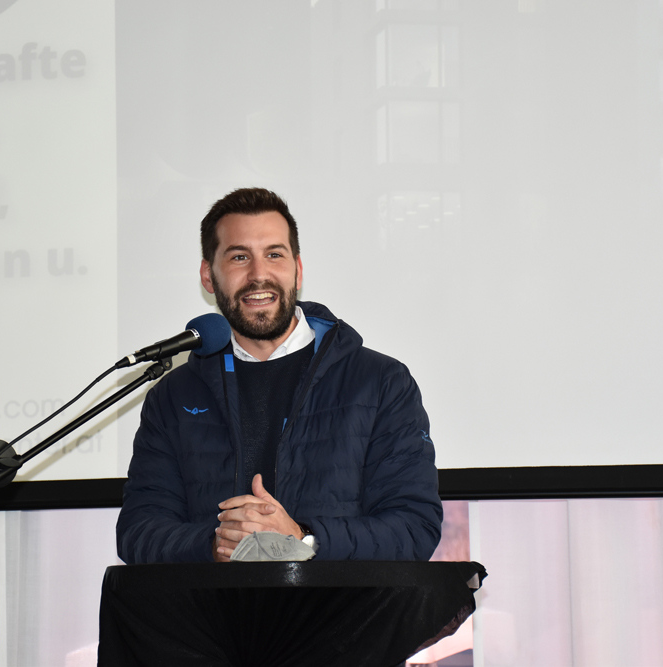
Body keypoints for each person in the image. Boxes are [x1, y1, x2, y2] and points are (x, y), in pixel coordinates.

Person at [116, 188, 441, 563]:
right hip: (214, 603)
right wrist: (216, 544)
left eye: (274, 255)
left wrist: (302, 539)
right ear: (208, 276)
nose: (259, 275)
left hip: (340, 602)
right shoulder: (174, 395)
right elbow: (138, 532)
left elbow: (414, 528)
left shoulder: (380, 382)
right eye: (239, 257)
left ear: (297, 270)